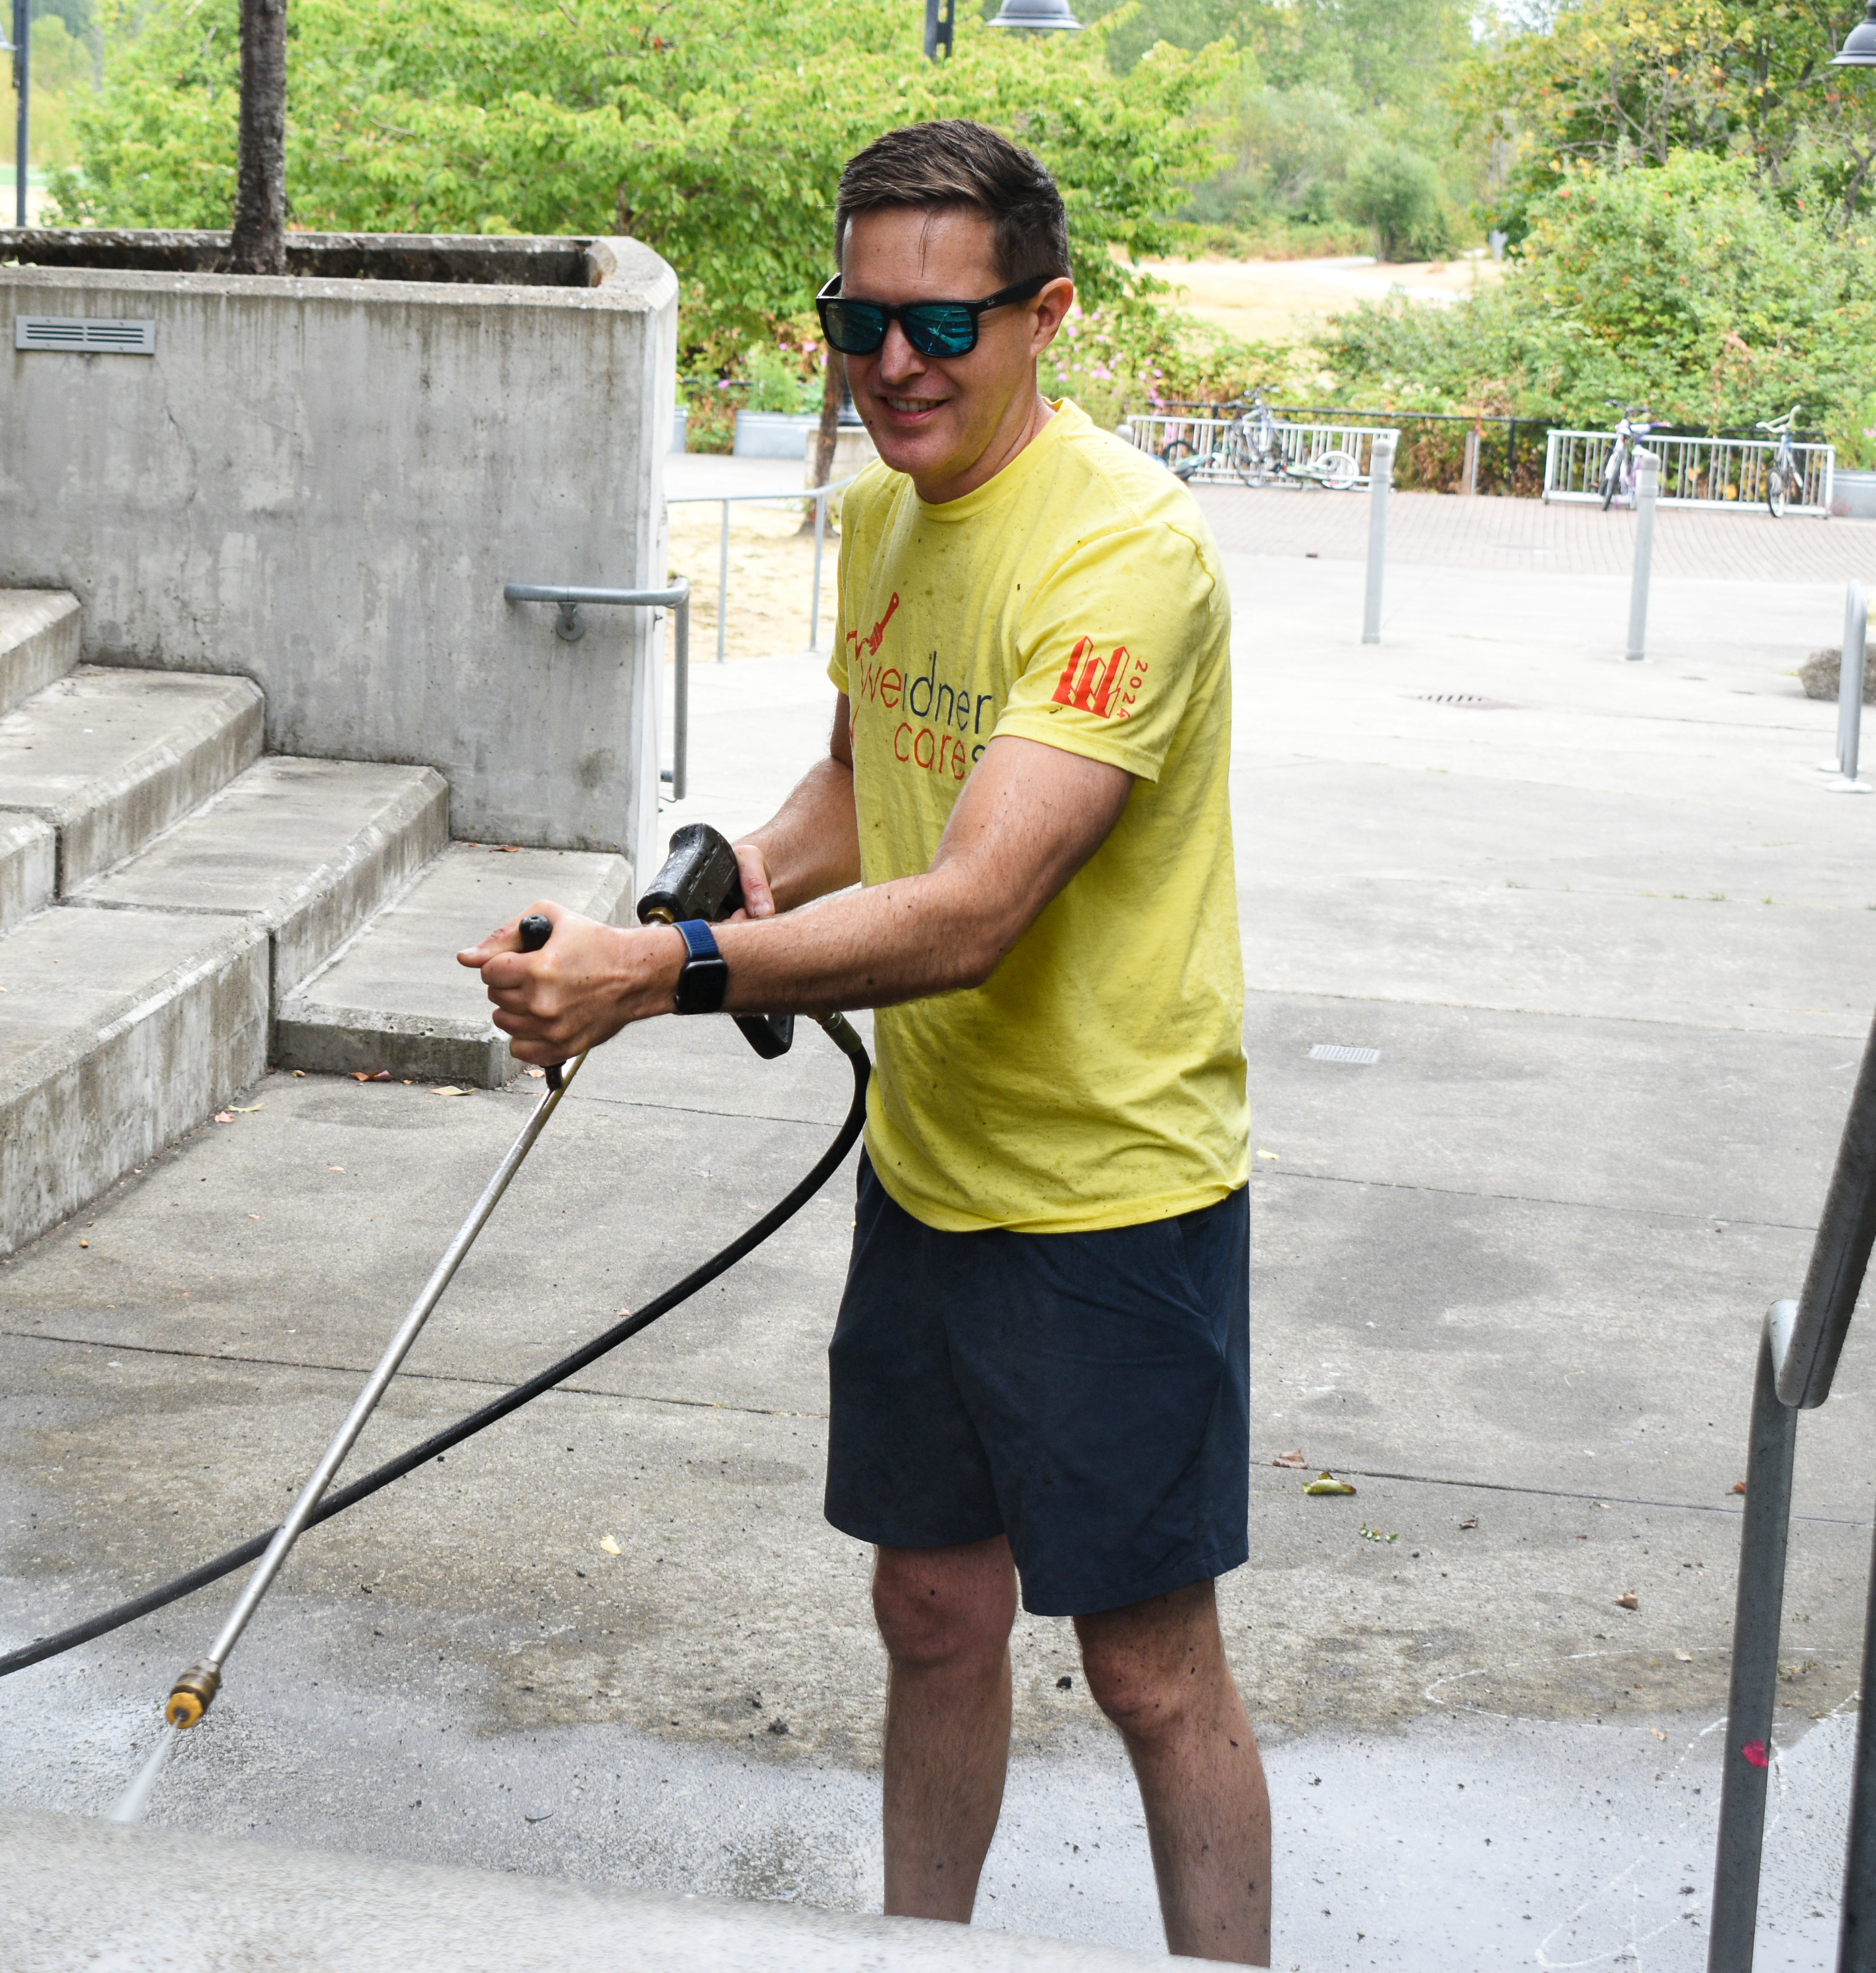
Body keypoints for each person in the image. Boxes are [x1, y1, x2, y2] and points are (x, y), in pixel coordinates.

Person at [460, 119, 1268, 1963]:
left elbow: (979, 903)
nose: (894, 363)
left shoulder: (1129, 553)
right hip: (933, 1170)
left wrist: (662, 977)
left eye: (946, 327)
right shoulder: (887, 518)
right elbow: (858, 783)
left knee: (1149, 1674)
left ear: (1046, 315)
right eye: (859, 319)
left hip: (1111, 1194)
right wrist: (712, 886)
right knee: (929, 1609)